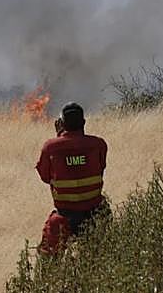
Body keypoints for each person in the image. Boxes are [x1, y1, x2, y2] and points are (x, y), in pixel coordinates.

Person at [35, 102, 108, 254]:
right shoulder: (98, 144)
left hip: (64, 215)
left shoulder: (51, 147)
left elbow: (45, 176)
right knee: (102, 254)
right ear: (83, 123)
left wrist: (59, 137)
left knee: (48, 259)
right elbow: (100, 169)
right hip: (95, 212)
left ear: (62, 124)